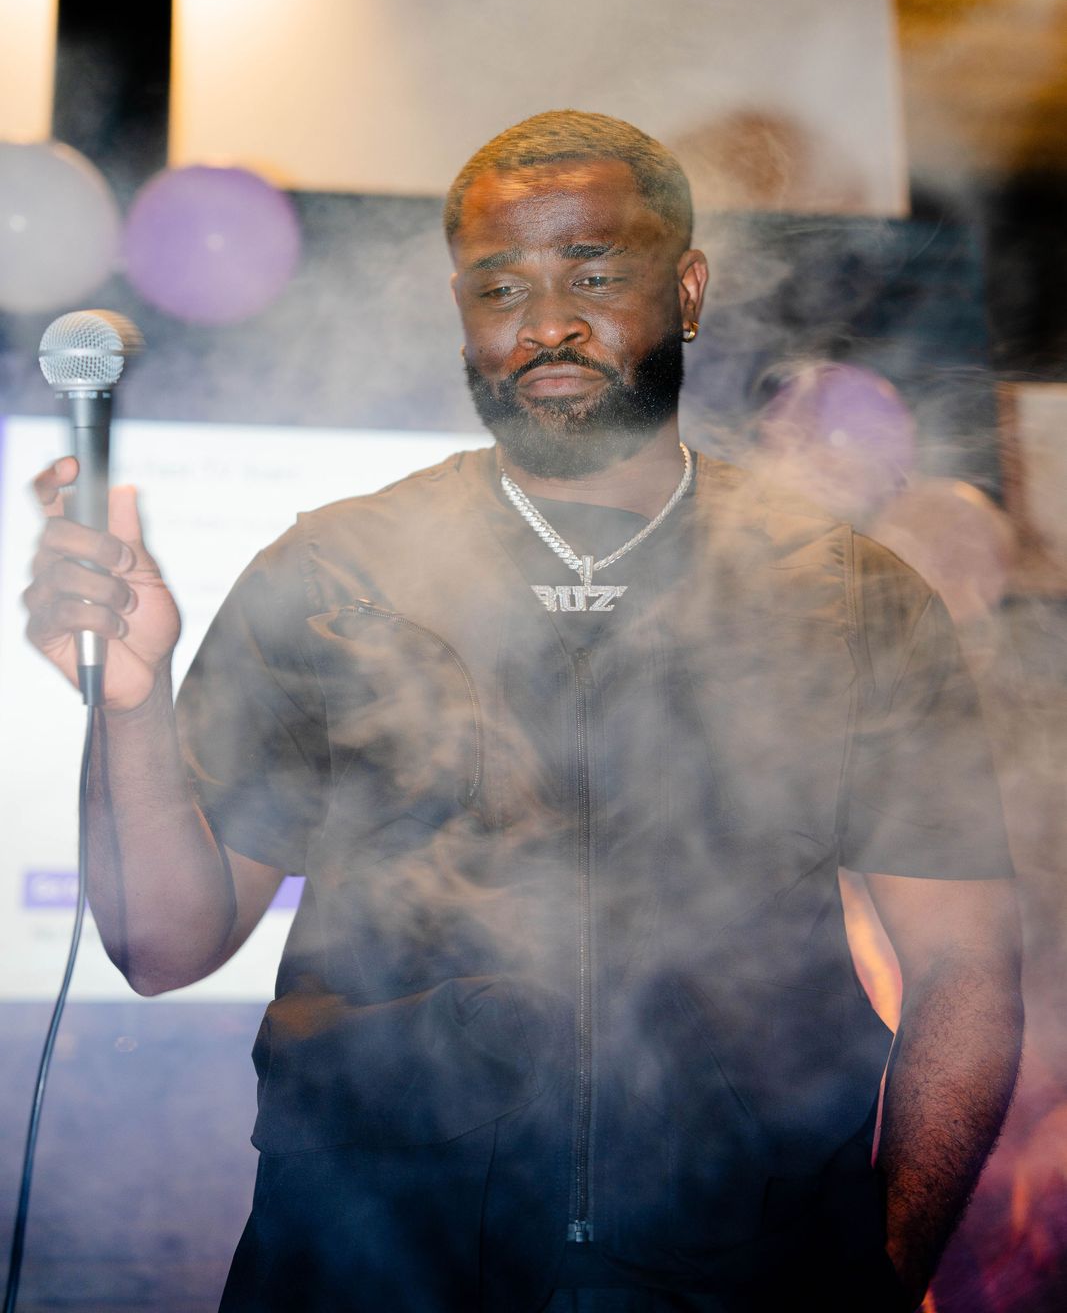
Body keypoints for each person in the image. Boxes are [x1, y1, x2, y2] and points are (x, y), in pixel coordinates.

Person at [24, 111, 1023, 1313]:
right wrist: (128, 700)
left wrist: (877, 1271)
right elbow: (162, 945)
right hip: (367, 1268)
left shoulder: (851, 597)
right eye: (499, 286)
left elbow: (964, 968)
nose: (545, 324)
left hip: (738, 1272)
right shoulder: (334, 570)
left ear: (686, 290)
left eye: (592, 275)